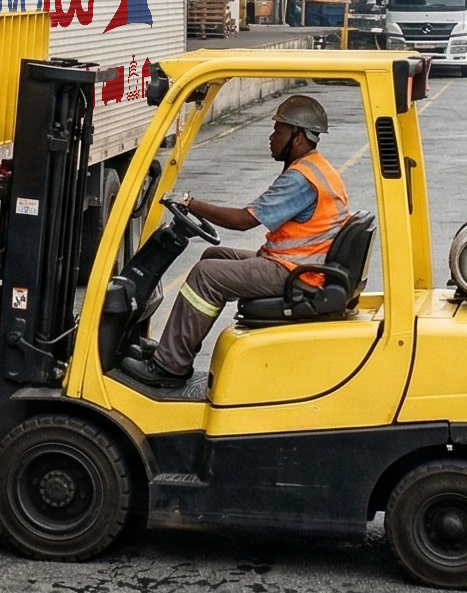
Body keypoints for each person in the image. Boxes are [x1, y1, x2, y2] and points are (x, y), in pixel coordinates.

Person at [121, 94, 349, 390]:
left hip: (297, 274)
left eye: (278, 130)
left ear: (298, 137)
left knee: (205, 276)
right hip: (298, 265)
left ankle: (169, 366)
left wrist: (190, 202)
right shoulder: (316, 168)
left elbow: (243, 220)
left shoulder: (301, 179)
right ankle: (176, 348)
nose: (271, 137)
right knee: (212, 256)